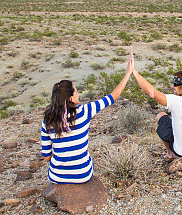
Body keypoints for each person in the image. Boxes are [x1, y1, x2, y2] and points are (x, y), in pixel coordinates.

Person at [40, 53, 133, 183]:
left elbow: (46, 157)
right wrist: (128, 73)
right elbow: (113, 97)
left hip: (57, 177)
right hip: (82, 174)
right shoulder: (84, 111)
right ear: (71, 98)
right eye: (76, 92)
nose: (79, 94)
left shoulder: (48, 120)